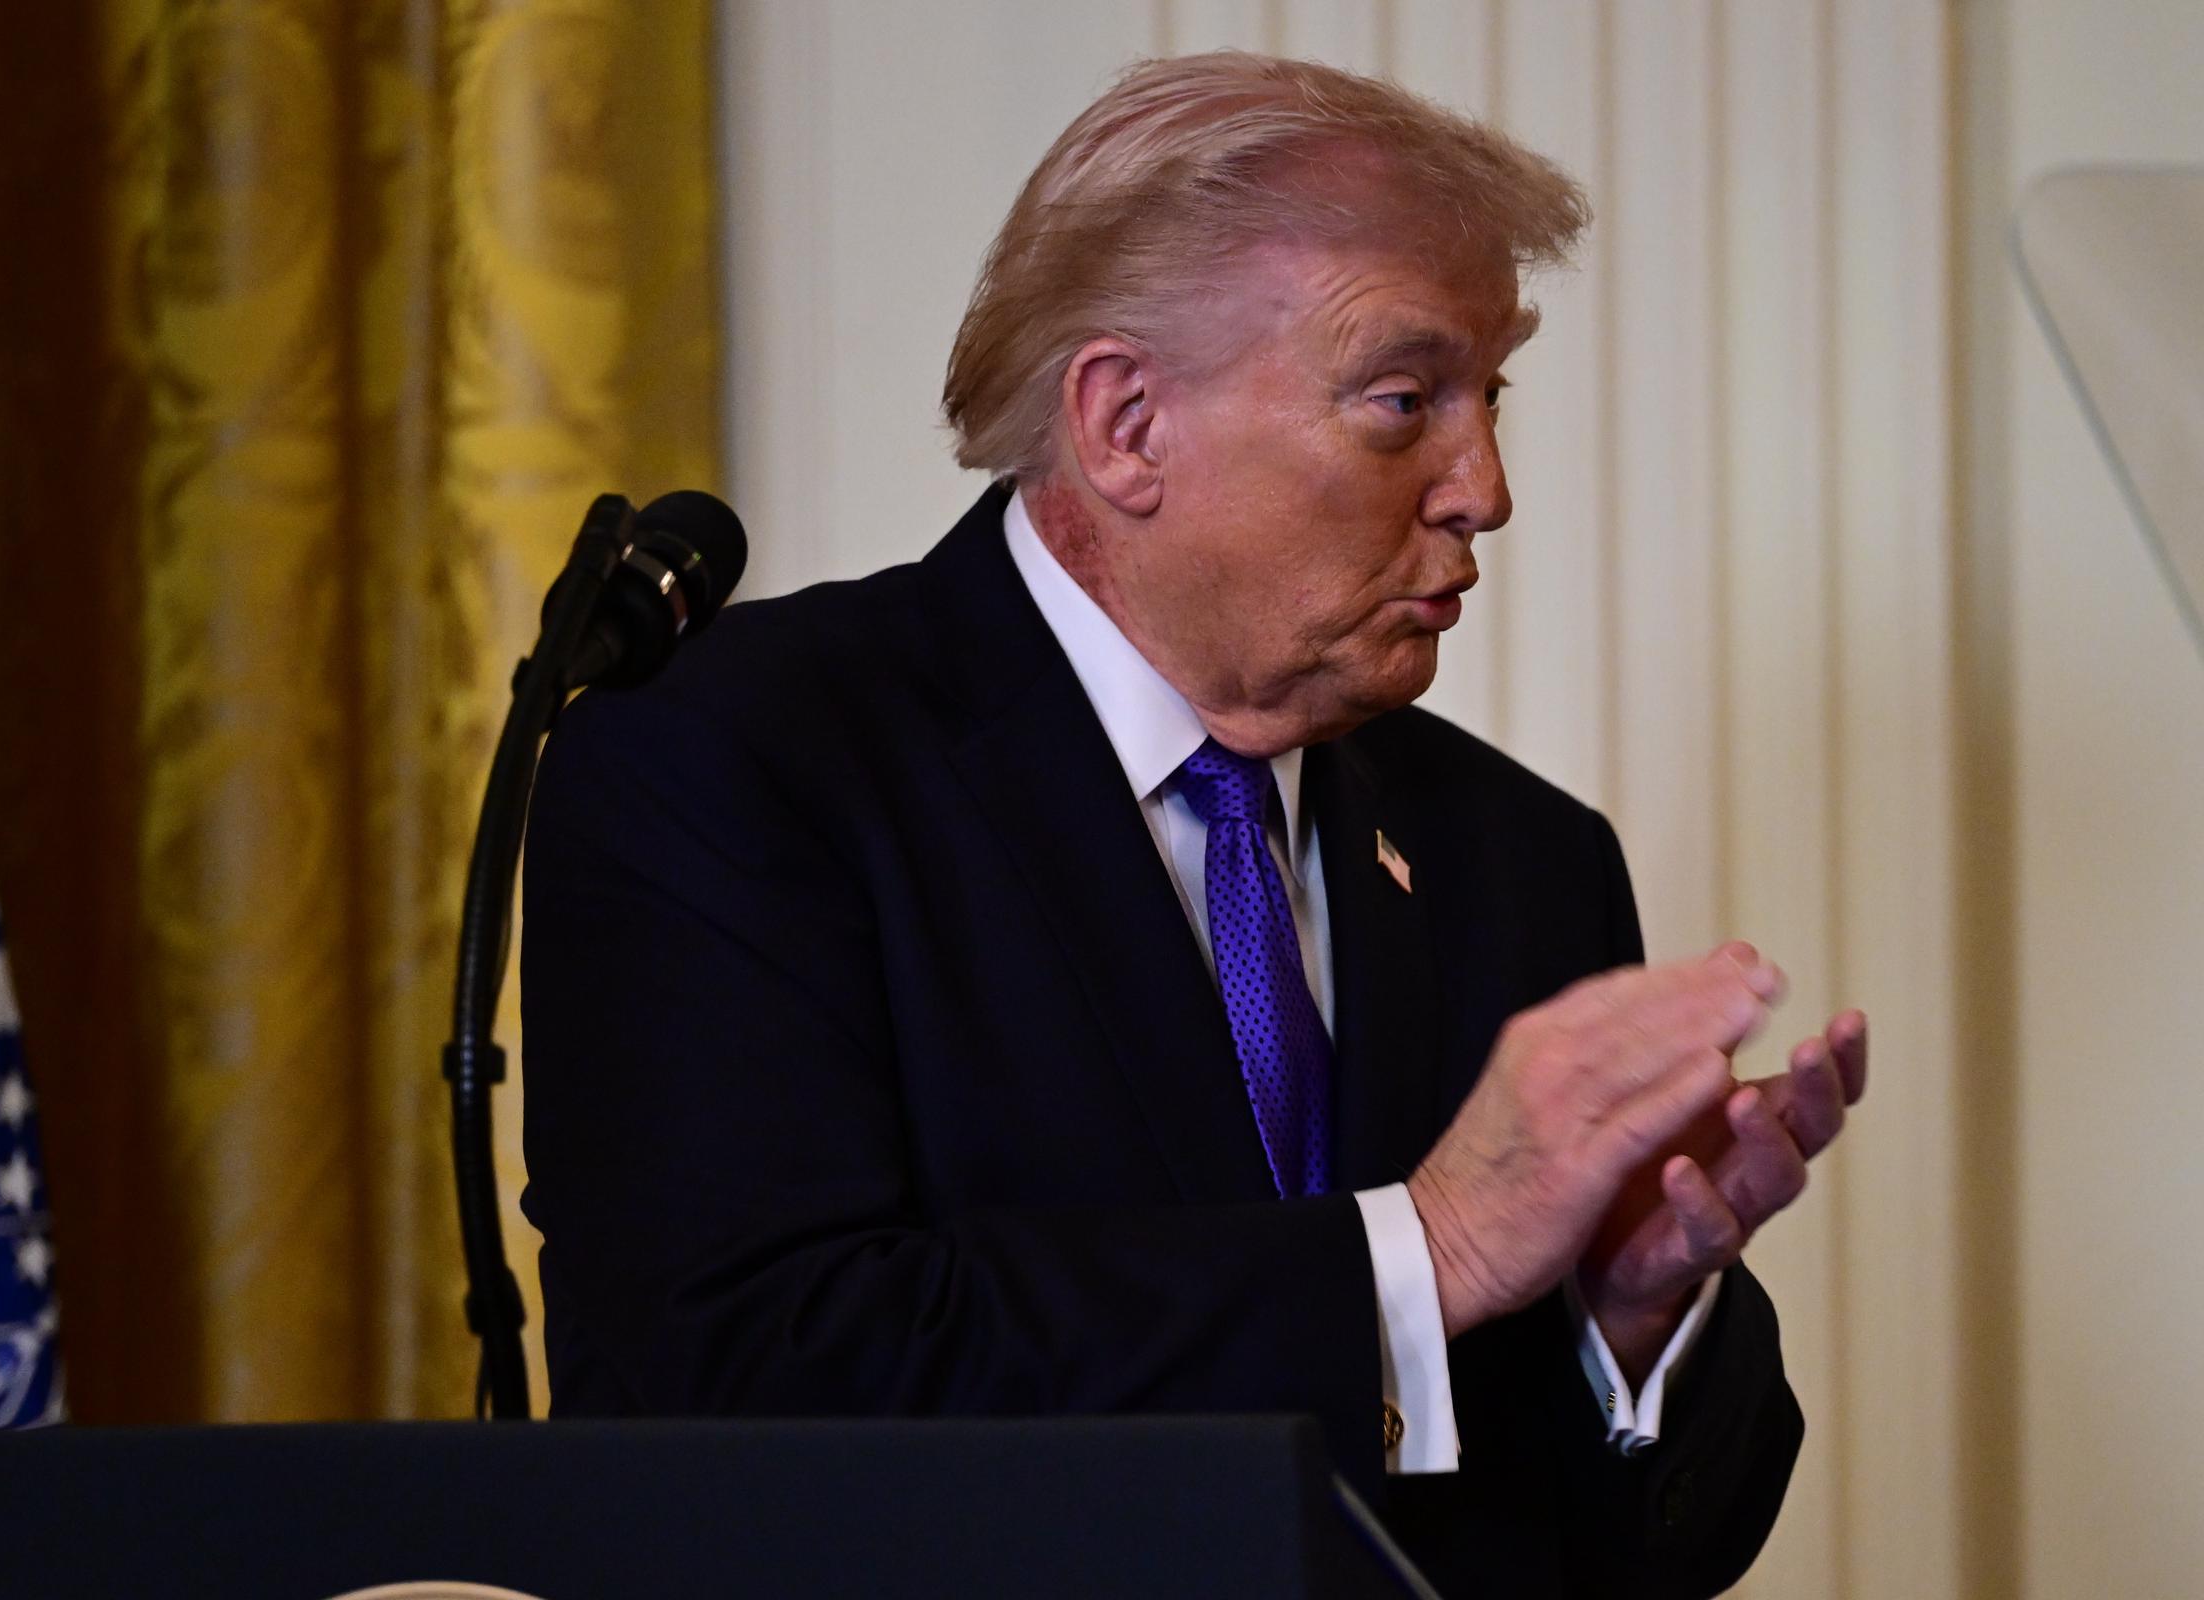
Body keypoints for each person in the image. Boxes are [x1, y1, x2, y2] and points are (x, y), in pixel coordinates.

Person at [522, 52, 1864, 1598]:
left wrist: (1622, 1329)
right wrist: (1420, 1254)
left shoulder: (1525, 856)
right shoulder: (735, 761)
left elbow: (1625, 1558)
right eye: (1403, 401)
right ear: (1127, 422)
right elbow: (743, 1383)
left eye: (1490, 400)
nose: (1485, 488)